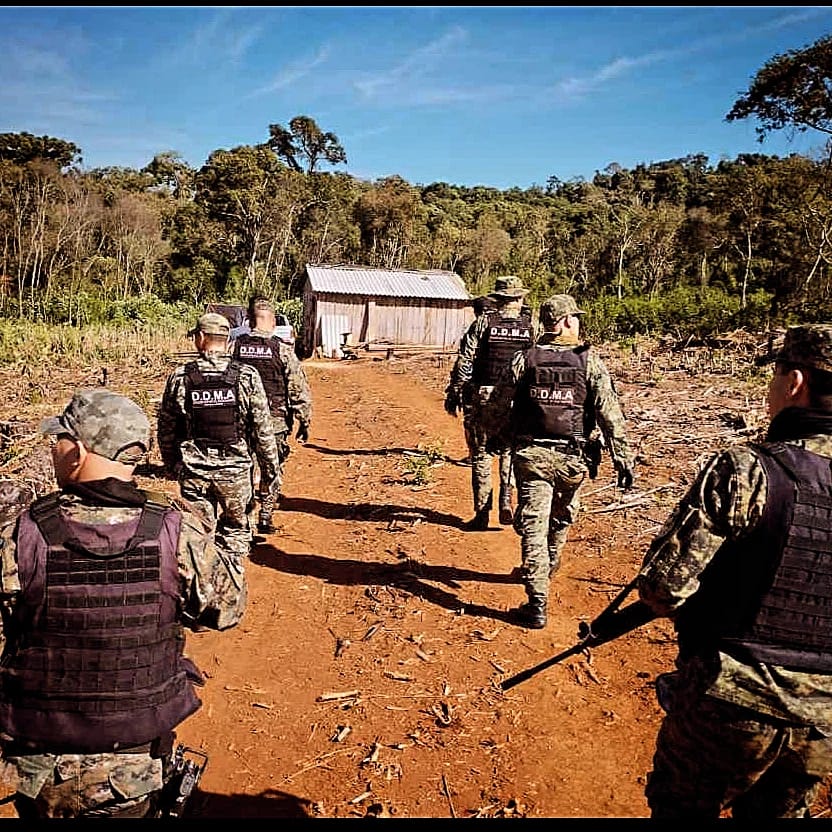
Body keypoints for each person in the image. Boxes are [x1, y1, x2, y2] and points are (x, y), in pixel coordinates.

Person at [628, 323, 832, 819]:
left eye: (776, 374)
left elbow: (662, 589)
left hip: (731, 701)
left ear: (794, 383)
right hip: (824, 720)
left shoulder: (745, 469)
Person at [0, 389, 224, 818]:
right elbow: (226, 608)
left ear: (79, 451)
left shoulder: (18, 535)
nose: (54, 448)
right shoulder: (176, 532)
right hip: (133, 770)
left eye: (59, 439)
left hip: (38, 771)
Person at [489, 294, 635, 629]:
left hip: (533, 458)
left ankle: (537, 601)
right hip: (573, 460)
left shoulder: (524, 359)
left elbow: (498, 404)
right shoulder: (589, 361)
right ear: (568, 321)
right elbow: (610, 415)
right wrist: (623, 459)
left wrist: (496, 435)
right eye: (576, 317)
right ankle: (549, 567)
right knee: (562, 518)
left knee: (533, 528)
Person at [157, 311, 279, 625]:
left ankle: (200, 599)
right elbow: (262, 430)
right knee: (236, 533)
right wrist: (269, 471)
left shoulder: (181, 377)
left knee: (199, 535)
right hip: (236, 474)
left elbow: (167, 427)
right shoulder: (247, 376)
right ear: (226, 340)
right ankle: (229, 601)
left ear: (200, 338)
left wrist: (171, 465)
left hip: (195, 474)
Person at [444, 275, 535, 531]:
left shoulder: (484, 323)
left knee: (481, 454)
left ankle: (483, 513)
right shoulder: (531, 327)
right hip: (517, 399)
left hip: (483, 396)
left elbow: (466, 359)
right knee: (509, 451)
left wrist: (457, 389)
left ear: (497, 298)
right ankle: (507, 495)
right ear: (520, 298)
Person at [232, 296, 313, 534]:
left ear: (249, 321)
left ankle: (244, 516)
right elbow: (298, 388)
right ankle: (266, 514)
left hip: (241, 420)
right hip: (274, 421)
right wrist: (304, 420)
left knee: (244, 466)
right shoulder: (282, 349)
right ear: (274, 321)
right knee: (272, 467)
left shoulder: (234, 347)